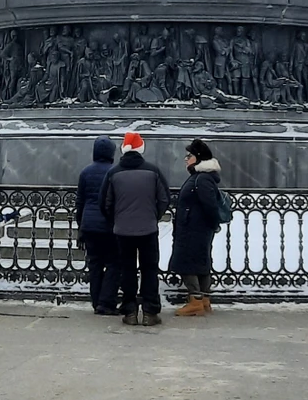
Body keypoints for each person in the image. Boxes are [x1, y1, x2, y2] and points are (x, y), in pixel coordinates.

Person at [99, 130, 170, 326]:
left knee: (127, 270)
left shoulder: (113, 173)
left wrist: (117, 219)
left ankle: (129, 311)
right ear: (140, 149)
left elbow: (104, 203)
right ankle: (150, 311)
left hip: (122, 231)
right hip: (147, 229)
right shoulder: (153, 171)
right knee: (149, 269)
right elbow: (165, 199)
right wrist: (152, 216)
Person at [169, 138, 224, 317]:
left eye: (189, 156)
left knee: (187, 263)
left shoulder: (201, 179)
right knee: (200, 262)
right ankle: (204, 300)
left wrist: (209, 223)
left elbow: (210, 205)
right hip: (196, 227)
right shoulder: (200, 177)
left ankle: (195, 301)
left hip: (194, 229)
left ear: (198, 158)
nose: (186, 159)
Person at [76, 137, 122, 315]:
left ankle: (96, 301)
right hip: (109, 225)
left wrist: (80, 227)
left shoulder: (86, 172)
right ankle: (107, 302)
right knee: (113, 263)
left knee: (94, 264)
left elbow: (80, 202)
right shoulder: (115, 171)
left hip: (89, 225)